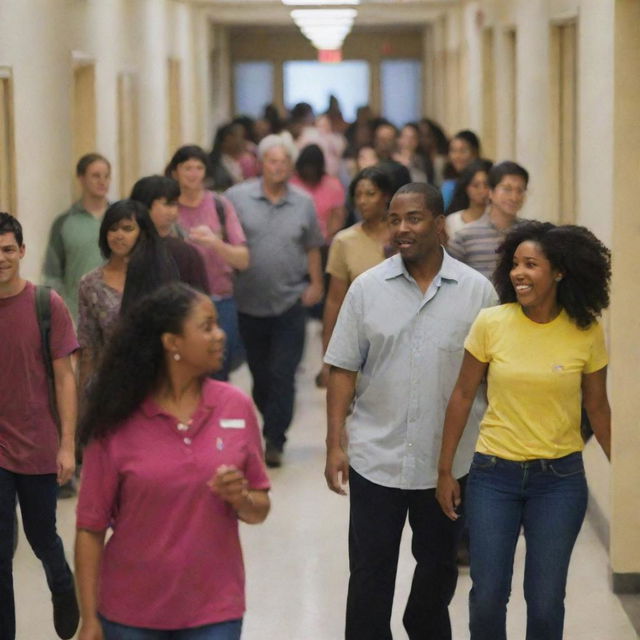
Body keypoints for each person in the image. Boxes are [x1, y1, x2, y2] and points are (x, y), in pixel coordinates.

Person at [324, 183, 497, 639]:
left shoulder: (477, 292)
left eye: (414, 218)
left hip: (448, 462)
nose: (402, 228)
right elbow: (342, 366)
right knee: (369, 574)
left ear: (440, 225)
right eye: (394, 219)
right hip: (375, 456)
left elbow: (493, 377)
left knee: (439, 571)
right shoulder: (367, 289)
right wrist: (333, 443)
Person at [436, 221, 612, 640]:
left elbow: (598, 407)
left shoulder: (585, 331)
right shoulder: (491, 323)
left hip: (560, 481)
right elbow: (462, 396)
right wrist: (445, 471)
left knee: (547, 598)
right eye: (514, 263)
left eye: (531, 265)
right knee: (488, 596)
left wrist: (628, 470)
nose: (518, 273)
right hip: (494, 475)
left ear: (559, 272)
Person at [75, 283, 270, 640]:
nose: (219, 335)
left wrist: (241, 497)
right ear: (172, 343)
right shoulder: (116, 419)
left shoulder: (235, 407)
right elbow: (90, 527)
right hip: (130, 613)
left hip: (215, 609)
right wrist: (89, 619)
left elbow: (259, 508)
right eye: (206, 326)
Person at [0, 213, 79, 640]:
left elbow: (66, 377)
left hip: (37, 443)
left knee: (41, 535)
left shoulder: (46, 304)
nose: (1, 258)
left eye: (8, 249)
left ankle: (61, 582)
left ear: (22, 252)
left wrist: (67, 444)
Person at [225, 134, 324, 468]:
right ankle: (271, 420)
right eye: (272, 161)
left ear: (290, 166)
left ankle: (275, 438)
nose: (278, 167)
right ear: (261, 163)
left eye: (284, 162)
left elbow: (312, 245)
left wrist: (316, 282)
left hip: (290, 300)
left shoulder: (303, 202)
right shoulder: (237, 198)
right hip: (247, 300)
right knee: (261, 375)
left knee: (283, 373)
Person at [166, 145, 249, 381]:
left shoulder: (220, 206)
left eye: (198, 168)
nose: (193, 174)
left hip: (219, 297)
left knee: (219, 365)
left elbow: (243, 259)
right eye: (187, 168)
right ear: (175, 172)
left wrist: (215, 243)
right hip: (179, 300)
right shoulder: (169, 208)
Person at [77, 200, 177, 393]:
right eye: (113, 229)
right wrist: (83, 400)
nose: (119, 235)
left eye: (127, 228)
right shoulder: (90, 283)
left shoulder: (160, 274)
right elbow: (88, 345)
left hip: (157, 382)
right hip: (111, 385)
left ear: (142, 232)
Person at [317, 167, 395, 388]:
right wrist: (328, 357)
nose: (363, 201)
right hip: (362, 339)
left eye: (370, 194)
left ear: (386, 196)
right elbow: (334, 301)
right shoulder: (344, 241)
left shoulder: (402, 235)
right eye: (358, 195)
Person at [43, 153, 111, 319]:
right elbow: (52, 274)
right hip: (78, 315)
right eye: (95, 176)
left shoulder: (121, 219)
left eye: (107, 176)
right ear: (81, 178)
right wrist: (60, 310)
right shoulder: (64, 222)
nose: (102, 181)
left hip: (116, 313)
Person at [447, 161, 528, 280]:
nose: (514, 197)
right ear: (491, 192)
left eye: (520, 190)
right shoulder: (465, 236)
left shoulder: (528, 234)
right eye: (507, 189)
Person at [129, 175, 210, 294]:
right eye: (168, 204)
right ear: (145, 205)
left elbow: (199, 301)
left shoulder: (185, 252)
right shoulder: (124, 246)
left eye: (176, 204)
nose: (174, 211)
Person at [290, 143, 346, 245]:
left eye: (313, 168)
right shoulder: (291, 183)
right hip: (294, 240)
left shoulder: (333, 185)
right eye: (306, 167)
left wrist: (326, 239)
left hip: (324, 243)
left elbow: (337, 217)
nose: (309, 171)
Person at [444, 160, 493, 236]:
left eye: (486, 185)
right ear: (466, 187)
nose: (482, 190)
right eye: (475, 185)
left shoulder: (499, 220)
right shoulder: (452, 221)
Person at [440, 130, 481, 210]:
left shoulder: (483, 180)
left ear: (475, 153)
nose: (457, 156)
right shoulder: (449, 186)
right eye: (453, 151)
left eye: (463, 151)